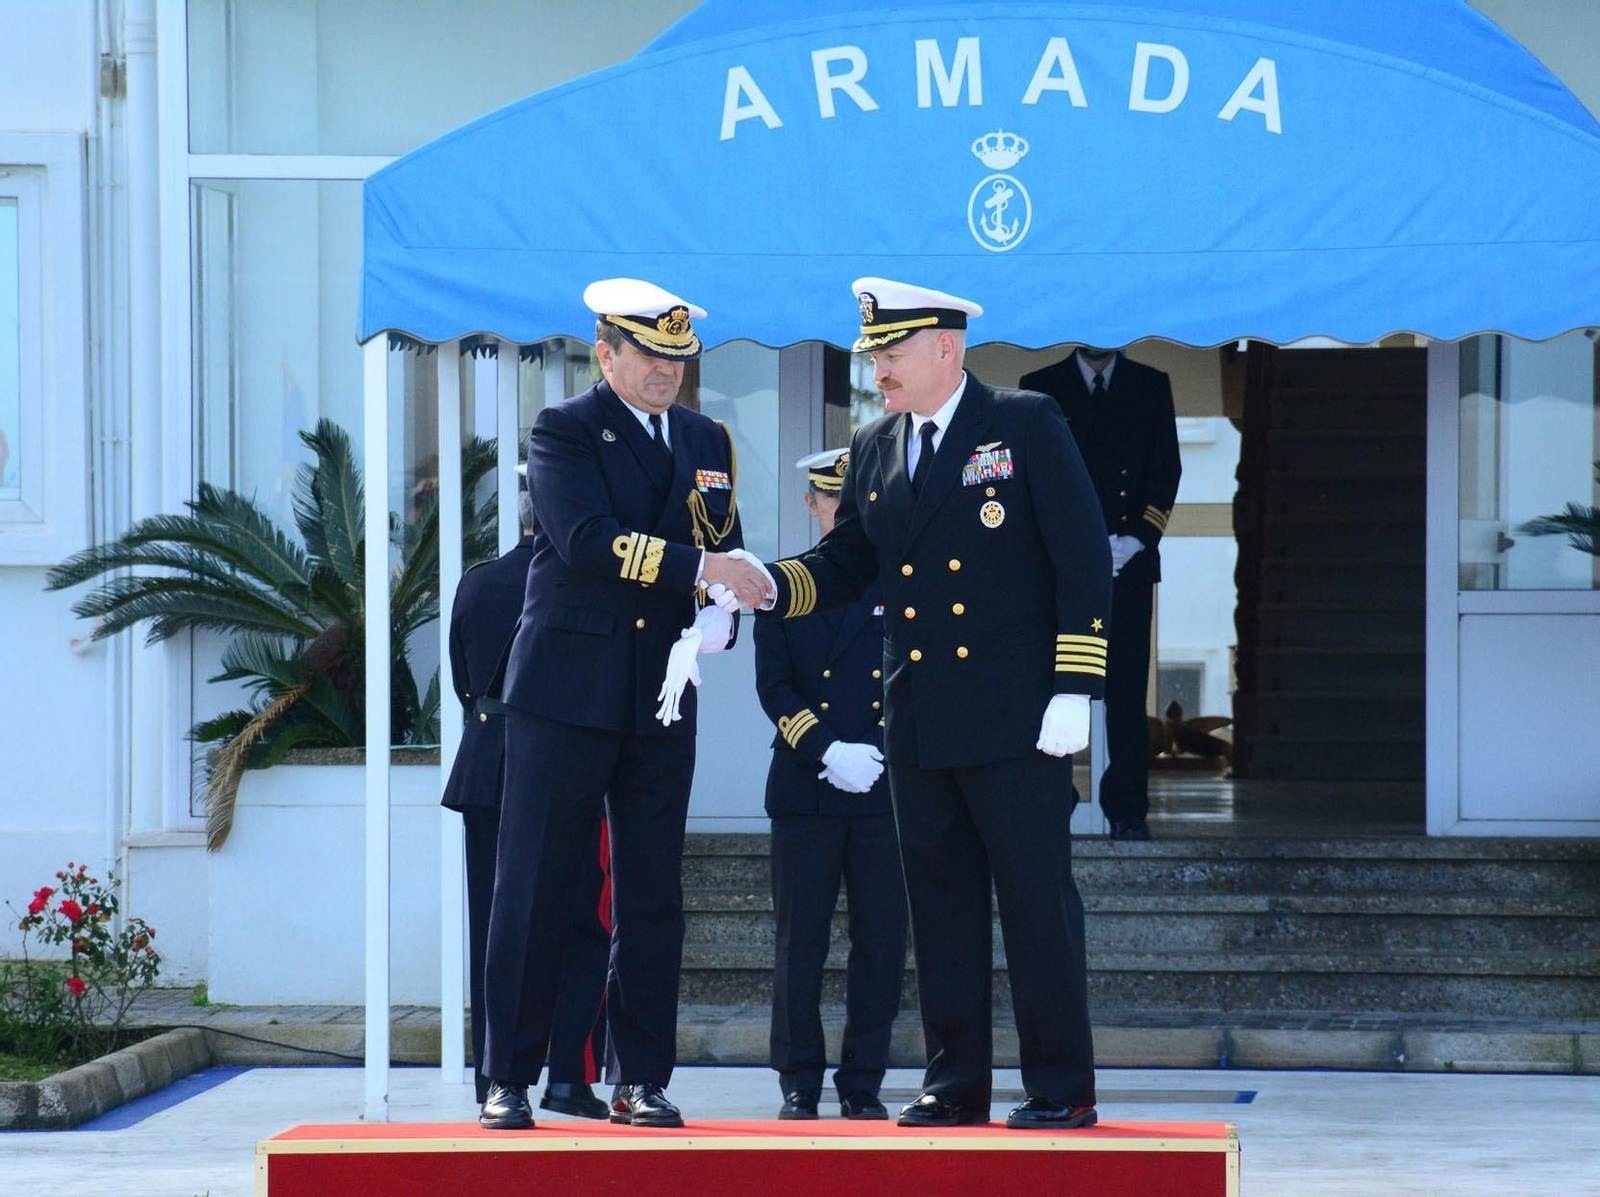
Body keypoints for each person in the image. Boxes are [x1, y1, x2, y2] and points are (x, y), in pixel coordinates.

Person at [745, 278, 1111, 1131]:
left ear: (945, 348)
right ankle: (956, 1082)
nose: (878, 369)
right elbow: (843, 564)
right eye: (873, 353)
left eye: (892, 353)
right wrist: (766, 583)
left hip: (1017, 719)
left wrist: (1076, 687)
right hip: (917, 721)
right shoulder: (875, 446)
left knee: (1034, 905)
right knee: (940, 913)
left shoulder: (1021, 424)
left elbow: (1082, 557)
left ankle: (1060, 1084)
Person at [477, 279, 772, 1131]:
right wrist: (702, 573)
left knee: (652, 894)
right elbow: (585, 539)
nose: (665, 371)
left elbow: (723, 537)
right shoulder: (564, 429)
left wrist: (724, 609)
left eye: (677, 356)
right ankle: (509, 1074)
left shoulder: (708, 437)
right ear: (605, 352)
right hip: (565, 691)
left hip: (659, 693)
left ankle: (641, 1076)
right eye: (648, 354)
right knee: (534, 884)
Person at [441, 472, 610, 1120]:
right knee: (583, 924)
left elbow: (462, 678)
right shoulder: (583, 584)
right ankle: (568, 1073)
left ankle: (498, 1076)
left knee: (496, 925)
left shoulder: (479, 581)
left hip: (487, 760)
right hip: (565, 760)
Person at [754, 448, 907, 1122]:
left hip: (884, 784)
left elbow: (917, 678)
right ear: (813, 506)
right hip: (806, 783)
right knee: (801, 941)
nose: (841, 515)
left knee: (880, 940)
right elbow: (774, 687)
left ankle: (863, 1077)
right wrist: (827, 748)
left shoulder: (903, 579)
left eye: (853, 504)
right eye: (830, 503)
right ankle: (799, 1079)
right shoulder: (785, 585)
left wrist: (875, 750)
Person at [1019, 347, 1181, 840]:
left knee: (1127, 692)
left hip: (1128, 562)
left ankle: (1127, 807)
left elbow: (1165, 468)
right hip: (1061, 567)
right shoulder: (1040, 383)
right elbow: (1031, 473)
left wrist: (1138, 538)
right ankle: (1052, 801)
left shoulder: (1150, 384)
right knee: (1054, 687)